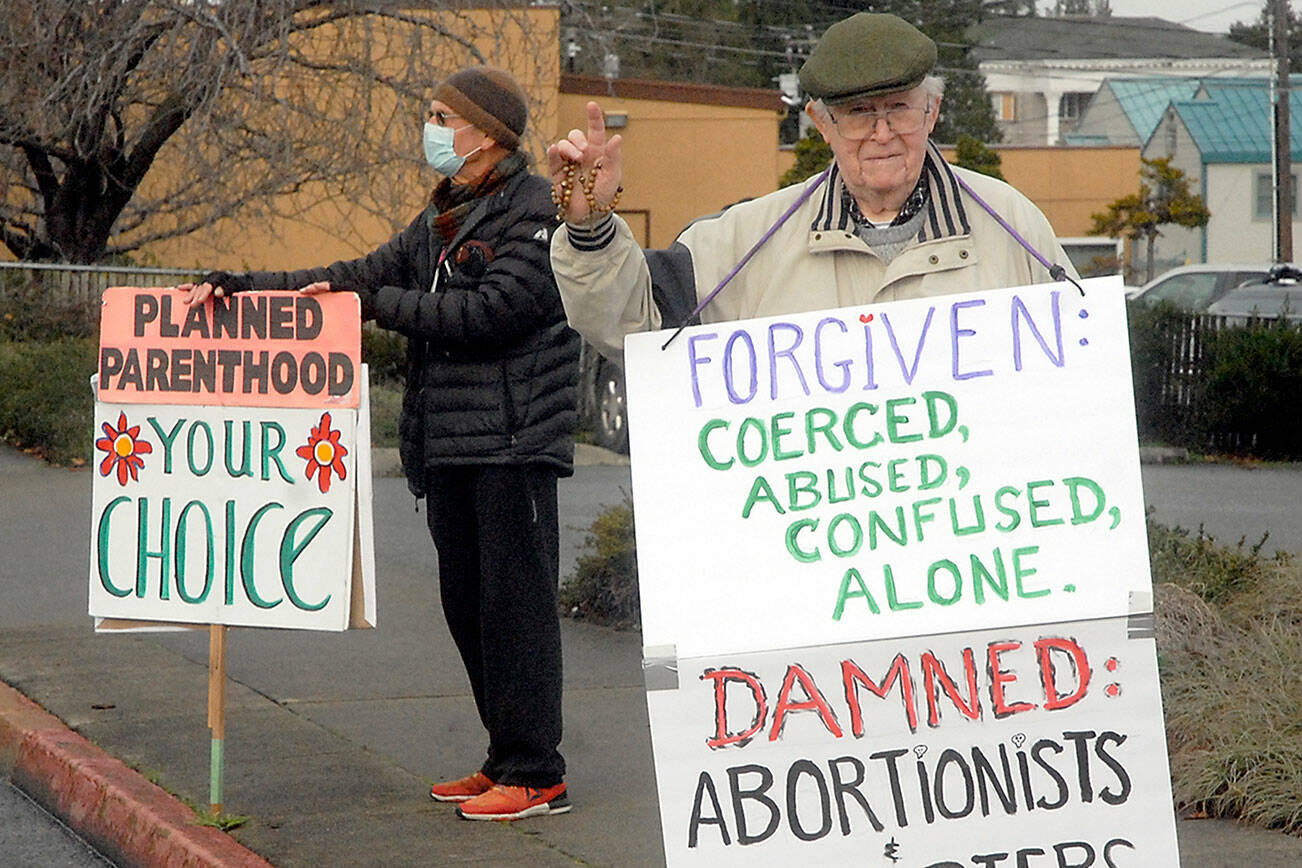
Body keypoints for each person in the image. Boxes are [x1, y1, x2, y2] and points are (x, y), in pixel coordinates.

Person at [179, 65, 578, 822]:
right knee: (468, 606)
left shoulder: (537, 211)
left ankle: (537, 772)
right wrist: (242, 286)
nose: (427, 127)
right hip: (451, 448)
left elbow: (491, 313)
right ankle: (505, 756)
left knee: (516, 610)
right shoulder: (443, 216)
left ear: (488, 133)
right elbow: (348, 277)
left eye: (439, 115)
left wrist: (375, 304)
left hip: (513, 443)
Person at [545, 12, 1078, 361]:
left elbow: (1079, 357)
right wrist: (590, 228)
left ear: (932, 111)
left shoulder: (1013, 224)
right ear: (821, 125)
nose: (882, 133)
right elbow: (636, 333)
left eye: (899, 109)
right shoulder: (744, 241)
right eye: (859, 114)